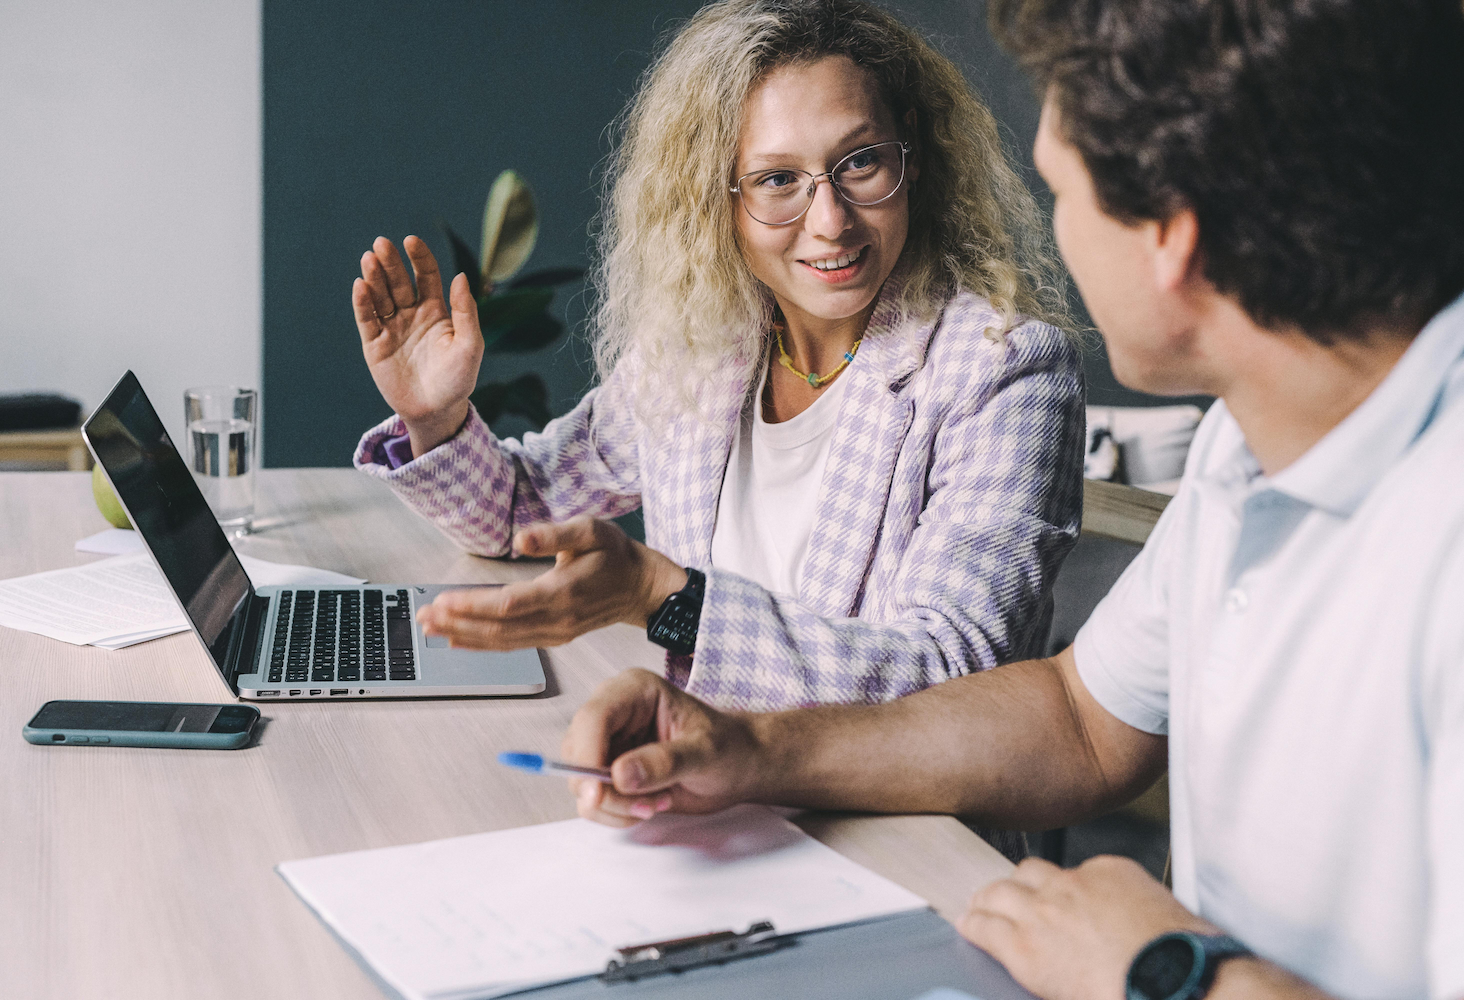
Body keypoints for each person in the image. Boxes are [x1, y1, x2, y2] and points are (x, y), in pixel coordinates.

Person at [556, 0, 1464, 997]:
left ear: (1172, 238)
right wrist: (749, 746)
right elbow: (1080, 716)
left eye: (1064, 191)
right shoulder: (1243, 449)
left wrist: (1168, 971)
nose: (1051, 232)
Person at [350, 0, 1083, 713]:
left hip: (893, 826)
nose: (829, 222)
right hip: (703, 784)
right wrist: (439, 417)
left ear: (912, 155)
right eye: (777, 180)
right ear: (716, 197)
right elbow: (525, 510)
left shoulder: (1005, 370)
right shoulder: (704, 346)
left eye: (858, 163)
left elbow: (950, 679)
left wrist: (666, 600)